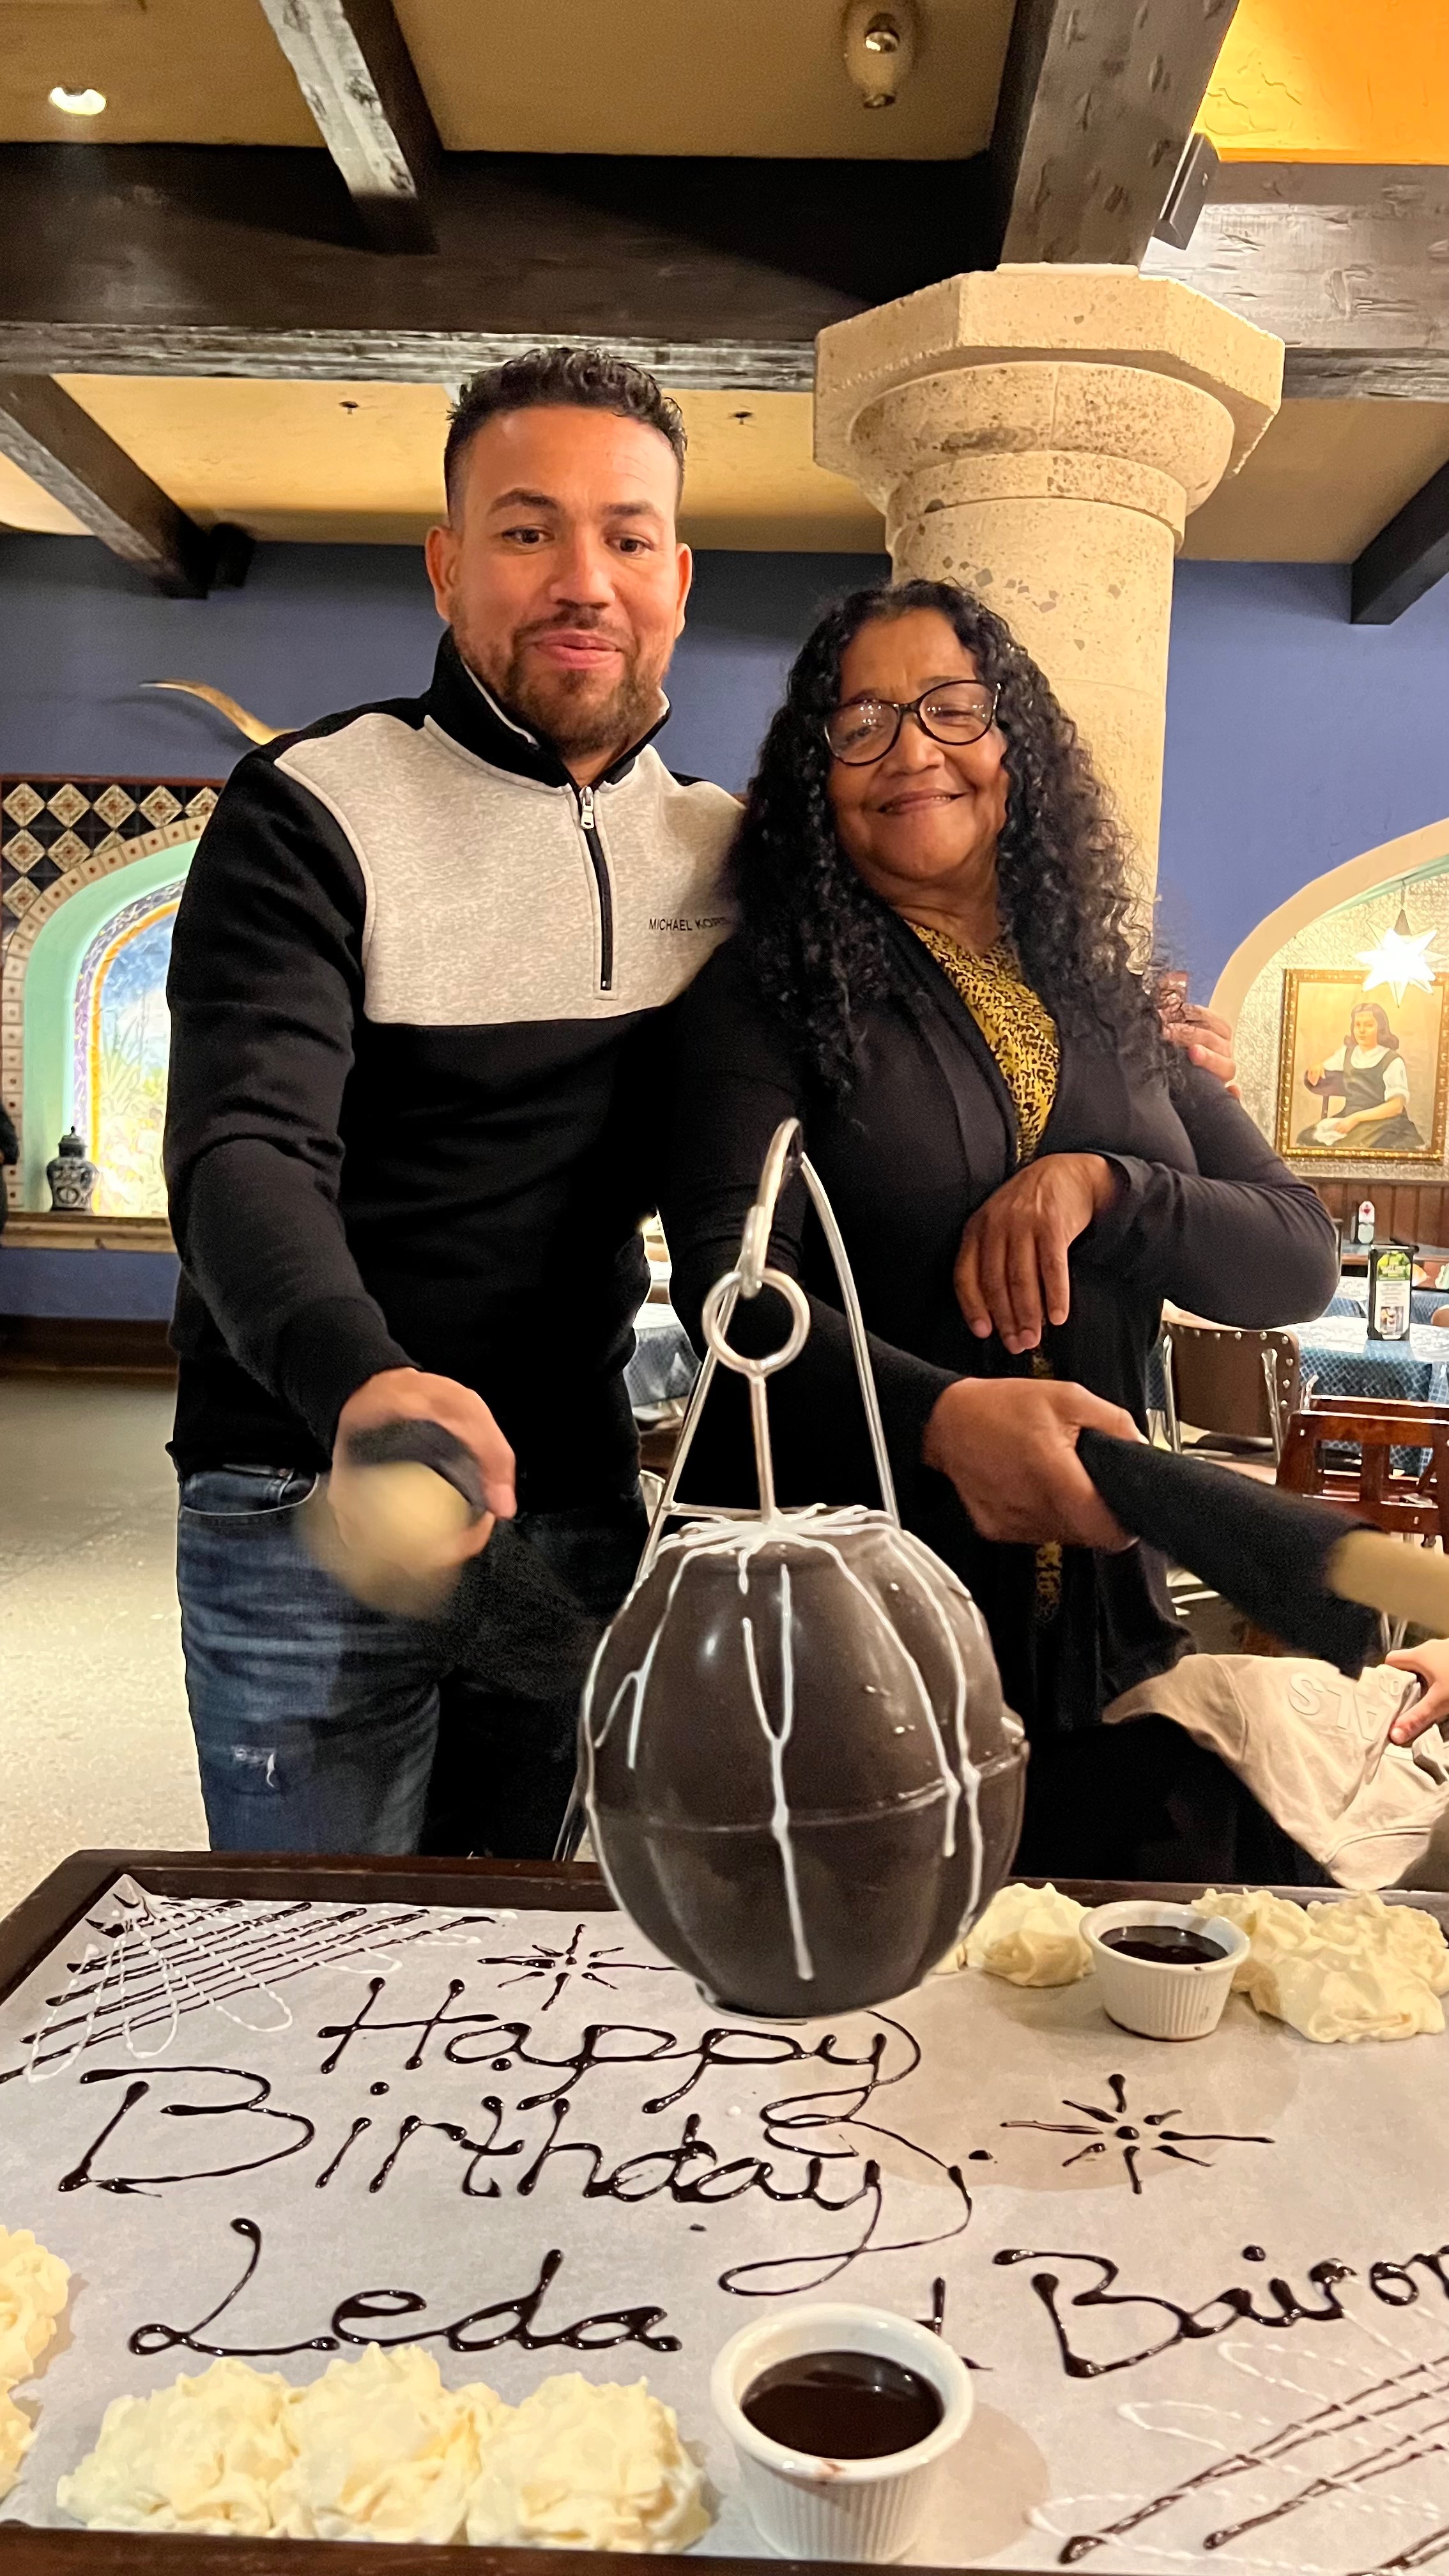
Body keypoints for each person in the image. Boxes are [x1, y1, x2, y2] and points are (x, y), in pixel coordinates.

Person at [662, 578, 1341, 1883]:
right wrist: (944, 1419)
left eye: (950, 709)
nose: (910, 750)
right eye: (859, 723)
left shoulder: (1113, 1005)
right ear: (816, 777)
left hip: (1109, 1645)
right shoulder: (764, 999)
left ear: (1011, 741)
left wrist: (1104, 1188)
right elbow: (734, 1304)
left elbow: (1295, 1258)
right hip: (856, 1651)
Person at [164, 347, 740, 1856]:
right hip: (314, 1480)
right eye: (526, 530)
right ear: (446, 563)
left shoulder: (723, 853)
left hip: (568, 1494)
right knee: (313, 1953)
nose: (582, 581)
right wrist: (360, 1381)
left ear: (677, 579)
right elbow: (244, 1145)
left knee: (514, 1947)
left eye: (626, 537)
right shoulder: (311, 807)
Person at [1297, 1000, 1423, 1151]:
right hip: (1349, 1117)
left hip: (1384, 1123)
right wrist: (1318, 1066)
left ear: (1380, 1028)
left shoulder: (1391, 1060)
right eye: (1358, 1025)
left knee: (1347, 1148)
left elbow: (1396, 1106)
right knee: (1307, 1138)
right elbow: (1325, 1067)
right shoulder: (1348, 1053)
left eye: (1369, 1025)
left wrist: (1356, 1118)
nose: (1362, 1030)